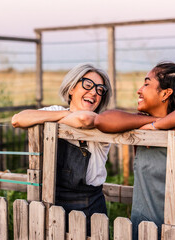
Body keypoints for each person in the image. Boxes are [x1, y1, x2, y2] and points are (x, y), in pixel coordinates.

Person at [94, 62, 175, 239]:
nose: (139, 90)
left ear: (166, 93)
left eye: (146, 83)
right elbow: (102, 120)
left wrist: (157, 125)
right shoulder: (140, 123)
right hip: (146, 228)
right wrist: (150, 122)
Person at [11, 63, 112, 235]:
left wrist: (50, 120)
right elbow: (18, 119)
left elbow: (84, 120)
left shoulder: (100, 121)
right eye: (88, 85)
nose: (94, 92)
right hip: (52, 200)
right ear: (72, 88)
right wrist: (64, 115)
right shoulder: (56, 111)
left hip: (88, 205)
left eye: (100, 89)